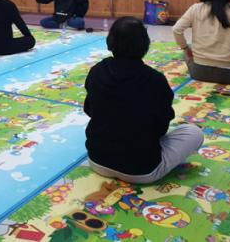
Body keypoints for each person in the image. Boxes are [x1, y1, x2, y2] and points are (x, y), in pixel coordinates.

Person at [84, 17, 203, 184]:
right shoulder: (155, 79)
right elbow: (161, 127)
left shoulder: (97, 71)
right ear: (145, 44)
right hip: (141, 170)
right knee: (194, 133)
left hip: (97, 160)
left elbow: (89, 110)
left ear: (110, 42)